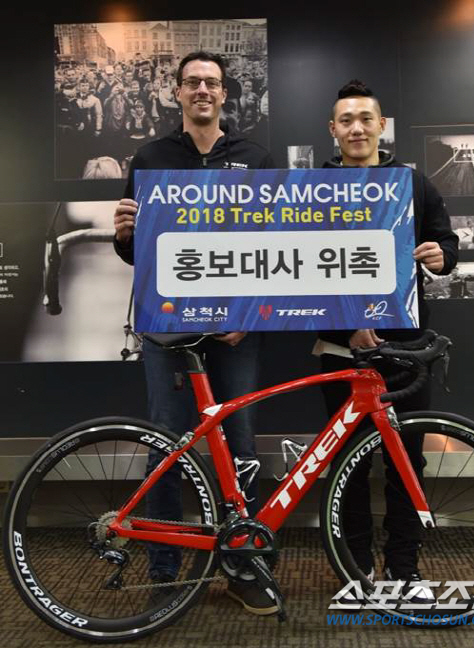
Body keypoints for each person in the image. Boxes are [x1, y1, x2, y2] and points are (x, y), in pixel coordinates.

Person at [113, 50, 275, 615]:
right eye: (192, 82)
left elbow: (272, 245)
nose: (202, 90)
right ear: (177, 92)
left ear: (224, 93)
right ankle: (164, 573)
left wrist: (247, 312)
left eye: (211, 82)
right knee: (166, 446)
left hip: (235, 331)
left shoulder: (255, 157)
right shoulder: (151, 157)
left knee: (242, 447)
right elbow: (139, 253)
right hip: (169, 329)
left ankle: (244, 568)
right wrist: (124, 235)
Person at [318, 79, 458, 598]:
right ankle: (356, 570)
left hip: (405, 349)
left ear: (381, 125)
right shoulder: (312, 187)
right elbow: (301, 272)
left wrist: (443, 256)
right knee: (348, 464)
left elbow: (446, 243)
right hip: (342, 350)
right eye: (346, 120)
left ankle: (404, 568)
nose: (356, 128)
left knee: (406, 461)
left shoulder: (413, 183)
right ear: (333, 130)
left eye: (365, 119)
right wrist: (346, 326)